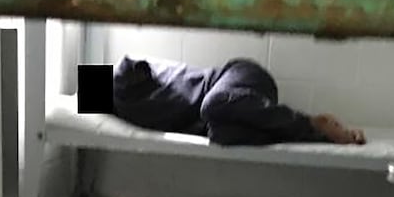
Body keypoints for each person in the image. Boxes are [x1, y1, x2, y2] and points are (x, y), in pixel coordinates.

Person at [112, 56, 366, 146]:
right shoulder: (100, 98)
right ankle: (315, 133)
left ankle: (311, 124)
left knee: (213, 105)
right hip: (220, 117)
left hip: (237, 77)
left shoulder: (126, 71)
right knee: (221, 134)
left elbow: (130, 64)